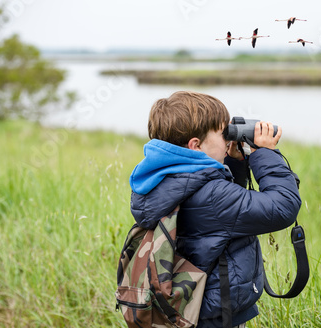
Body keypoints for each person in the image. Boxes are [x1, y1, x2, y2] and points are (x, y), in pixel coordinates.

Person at [129, 91, 301, 328]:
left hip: (189, 306)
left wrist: (235, 163)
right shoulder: (213, 195)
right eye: (224, 135)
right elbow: (283, 207)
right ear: (196, 145)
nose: (229, 140)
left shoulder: (163, 181)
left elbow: (221, 217)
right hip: (216, 315)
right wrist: (265, 155)